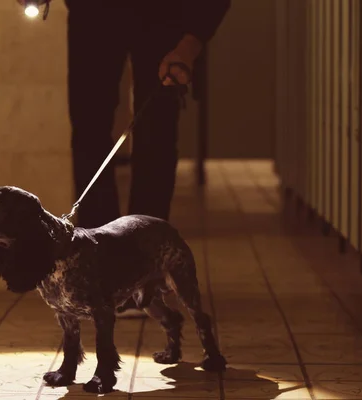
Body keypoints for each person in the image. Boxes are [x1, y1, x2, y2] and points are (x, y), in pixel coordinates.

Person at [34, 0, 230, 317]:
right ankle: (97, 266)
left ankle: (144, 269)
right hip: (94, 11)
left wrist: (189, 45)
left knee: (156, 132)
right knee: (89, 129)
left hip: (164, 13)